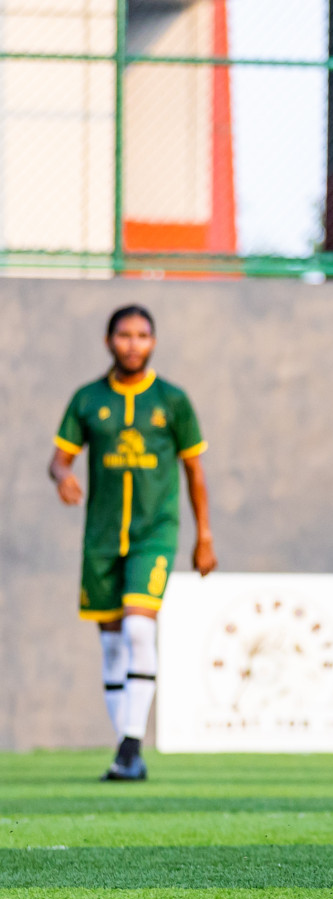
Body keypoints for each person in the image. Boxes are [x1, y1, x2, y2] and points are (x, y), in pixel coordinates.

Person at [51, 305, 217, 781]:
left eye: (142, 335)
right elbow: (58, 460)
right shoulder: (87, 400)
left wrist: (203, 536)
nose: (133, 343)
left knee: (139, 630)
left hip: (154, 535)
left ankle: (130, 745)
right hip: (101, 539)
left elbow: (195, 471)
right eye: (124, 335)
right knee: (111, 646)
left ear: (153, 342)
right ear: (108, 341)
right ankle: (125, 750)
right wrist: (62, 476)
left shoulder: (172, 400)